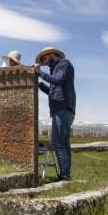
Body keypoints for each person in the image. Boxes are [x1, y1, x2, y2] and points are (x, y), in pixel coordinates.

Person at [35, 47, 76, 180]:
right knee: (64, 143)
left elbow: (57, 80)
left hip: (62, 109)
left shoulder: (64, 64)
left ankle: (64, 176)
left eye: (46, 58)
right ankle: (66, 174)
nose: (45, 62)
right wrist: (40, 84)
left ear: (53, 54)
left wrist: (39, 72)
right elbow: (52, 92)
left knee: (58, 142)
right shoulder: (55, 69)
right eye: (43, 61)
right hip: (62, 109)